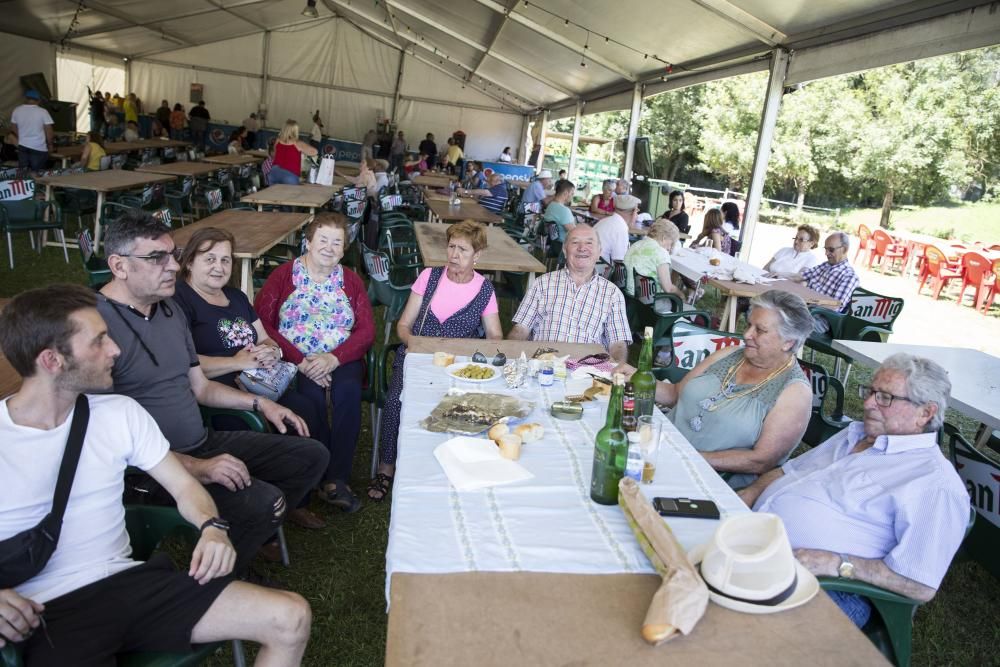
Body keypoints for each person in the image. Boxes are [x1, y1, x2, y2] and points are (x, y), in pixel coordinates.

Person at [0, 285, 312, 666]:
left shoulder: (119, 413)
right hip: (44, 610)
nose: (115, 350)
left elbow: (183, 485)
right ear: (51, 361)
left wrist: (212, 527)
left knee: (290, 616)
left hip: (131, 583)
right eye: (99, 342)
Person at [96, 210, 329, 570]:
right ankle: (223, 575)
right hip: (152, 471)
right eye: (157, 258)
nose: (173, 266)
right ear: (119, 265)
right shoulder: (95, 327)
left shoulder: (169, 310)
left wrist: (260, 403)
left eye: (172, 254)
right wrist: (197, 467)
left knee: (311, 455)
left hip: (202, 440)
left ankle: (238, 541)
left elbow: (201, 388)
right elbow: (104, 438)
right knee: (267, 502)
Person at [741, 353, 969, 627]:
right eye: (870, 391)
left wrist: (837, 563)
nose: (868, 403)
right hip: (758, 541)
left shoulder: (934, 485)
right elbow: (787, 471)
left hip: (832, 587)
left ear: (925, 413)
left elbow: (919, 583)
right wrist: (748, 494)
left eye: (885, 397)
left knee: (724, 628)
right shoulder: (855, 434)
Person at [172, 227, 326, 530]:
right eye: (210, 259)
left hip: (262, 381)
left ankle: (296, 498)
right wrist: (235, 362)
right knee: (252, 427)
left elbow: (266, 339)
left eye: (226, 260)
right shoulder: (181, 300)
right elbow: (185, 361)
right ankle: (261, 510)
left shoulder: (236, 296)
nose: (219, 267)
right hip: (219, 393)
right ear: (190, 262)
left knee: (309, 408)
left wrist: (270, 352)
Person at [621, 290, 813, 488]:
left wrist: (687, 457)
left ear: (788, 342)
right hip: (657, 450)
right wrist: (634, 377)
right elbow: (674, 394)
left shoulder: (795, 393)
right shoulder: (730, 355)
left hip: (708, 478)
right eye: (748, 325)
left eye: (760, 330)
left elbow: (761, 460)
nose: (747, 334)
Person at [369, 221, 502, 502]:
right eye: (451, 246)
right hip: (417, 354)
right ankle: (386, 467)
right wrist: (414, 343)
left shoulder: (485, 290)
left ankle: (445, 465)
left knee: (462, 402)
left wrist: (478, 351)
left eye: (463, 249)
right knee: (396, 400)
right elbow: (403, 324)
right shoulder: (429, 277)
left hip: (459, 365)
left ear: (477, 256)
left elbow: (495, 335)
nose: (454, 254)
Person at [255, 215, 375, 514]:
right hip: (295, 358)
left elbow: (367, 330)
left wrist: (334, 358)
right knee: (311, 400)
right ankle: (317, 471)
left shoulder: (350, 280)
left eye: (337, 242)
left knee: (348, 392)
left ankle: (336, 478)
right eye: (323, 239)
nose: (329, 247)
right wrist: (301, 362)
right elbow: (262, 325)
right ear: (307, 242)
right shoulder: (283, 276)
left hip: (339, 356)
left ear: (344, 249)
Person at [509, 225, 631, 363]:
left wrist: (619, 370)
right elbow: (521, 328)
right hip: (542, 366)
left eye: (589, 243)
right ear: (565, 250)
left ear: (599, 252)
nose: (582, 248)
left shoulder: (613, 293)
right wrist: (510, 358)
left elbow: (618, 343)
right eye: (575, 242)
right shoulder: (542, 283)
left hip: (588, 372)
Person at [785, 231, 860, 332]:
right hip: (805, 310)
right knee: (773, 309)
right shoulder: (825, 265)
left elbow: (834, 307)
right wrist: (779, 274)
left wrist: (808, 301)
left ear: (845, 249)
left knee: (782, 319)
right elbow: (801, 276)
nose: (826, 253)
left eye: (831, 250)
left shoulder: (849, 277)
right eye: (826, 249)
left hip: (820, 320)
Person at [623, 219, 684, 299]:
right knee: (681, 302)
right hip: (648, 302)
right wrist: (682, 295)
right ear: (664, 238)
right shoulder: (661, 253)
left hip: (627, 296)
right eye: (671, 243)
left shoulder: (636, 244)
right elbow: (668, 289)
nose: (670, 248)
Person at [10, 90, 53, 172]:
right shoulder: (43, 112)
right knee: (37, 173)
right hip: (38, 147)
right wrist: (50, 144)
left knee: (23, 173)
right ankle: (37, 184)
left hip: (22, 146)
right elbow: (49, 131)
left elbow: (13, 128)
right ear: (38, 100)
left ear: (25, 99)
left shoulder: (17, 110)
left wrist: (21, 139)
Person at [269, 120, 318, 185]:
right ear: (295, 131)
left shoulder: (278, 141)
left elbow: (274, 155)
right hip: (289, 174)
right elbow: (315, 152)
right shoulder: (297, 144)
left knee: (273, 194)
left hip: (274, 172)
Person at [593, 193, 638, 264]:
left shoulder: (607, 220)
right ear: (633, 212)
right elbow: (620, 261)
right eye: (637, 212)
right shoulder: (621, 228)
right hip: (600, 269)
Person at [541, 179, 577, 259]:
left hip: (552, 244)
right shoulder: (564, 210)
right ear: (566, 193)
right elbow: (574, 232)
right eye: (572, 193)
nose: (572, 196)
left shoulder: (551, 206)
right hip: (562, 246)